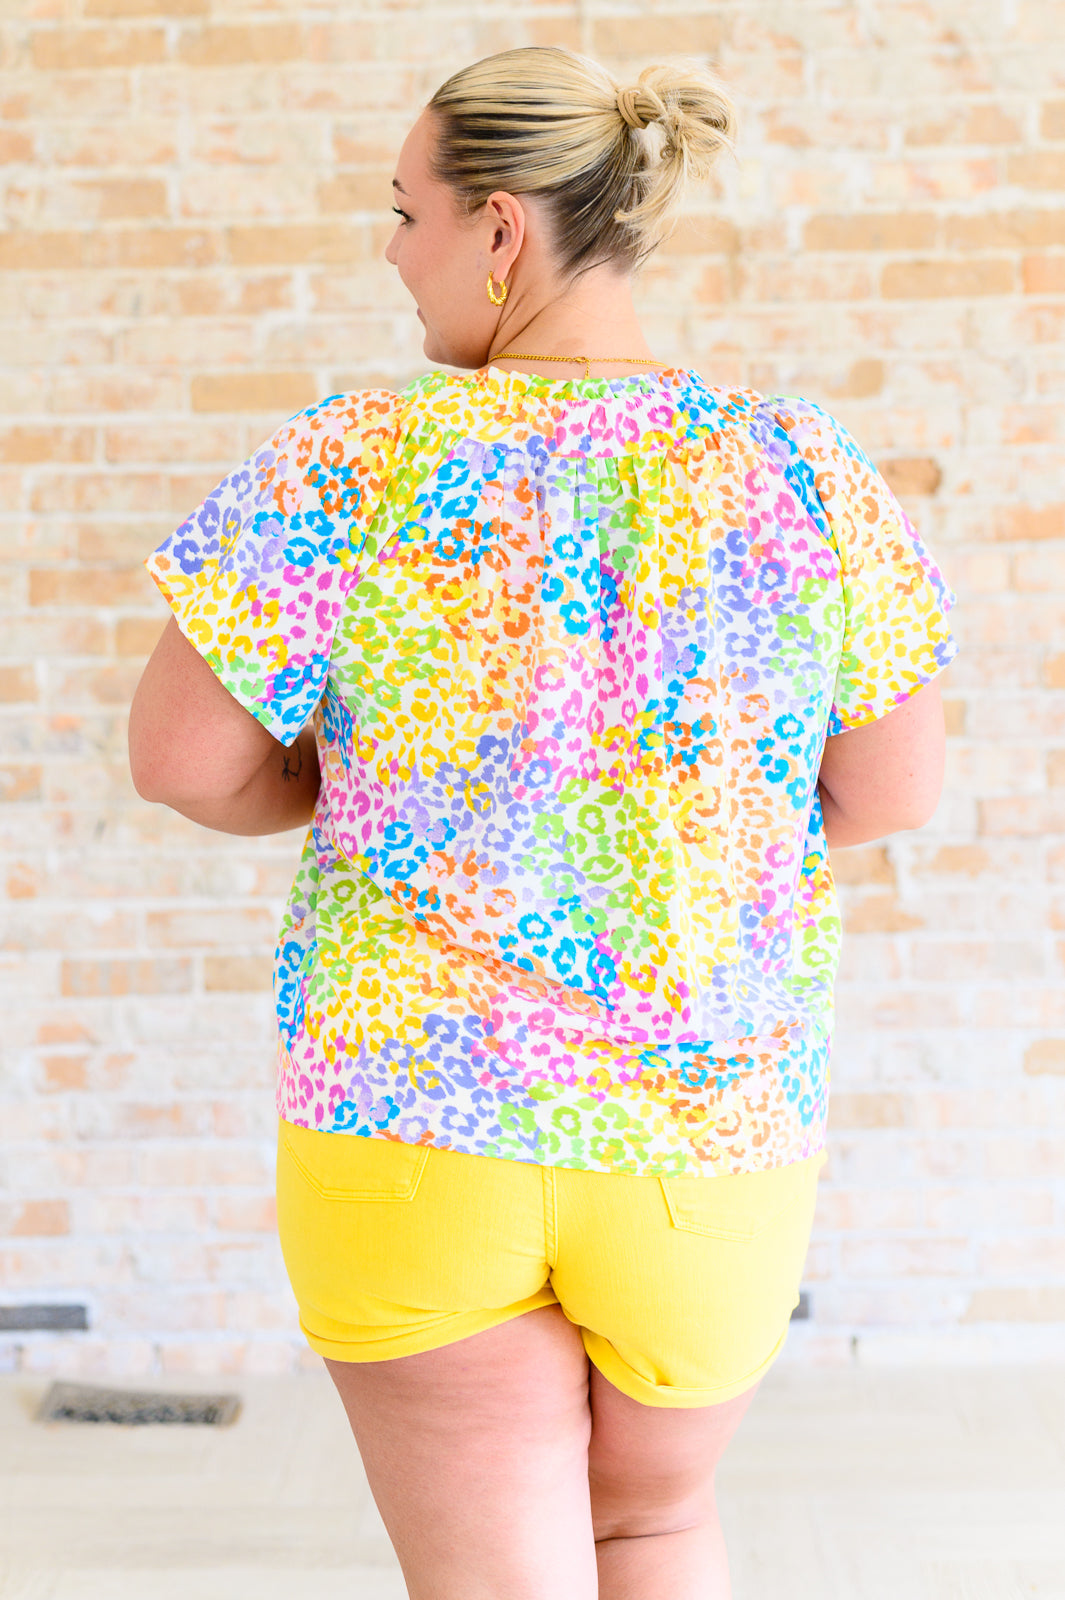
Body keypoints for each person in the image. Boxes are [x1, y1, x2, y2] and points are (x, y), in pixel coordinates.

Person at [128, 44, 957, 1600]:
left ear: (499, 228)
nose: (393, 251)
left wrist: (347, 790)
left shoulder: (352, 460)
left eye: (406, 212)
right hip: (702, 1133)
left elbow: (184, 760)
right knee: (650, 1527)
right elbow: (889, 792)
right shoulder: (798, 469)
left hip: (412, 1121)